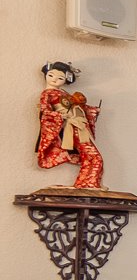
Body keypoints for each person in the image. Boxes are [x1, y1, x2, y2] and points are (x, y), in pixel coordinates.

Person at [37, 60, 105, 189]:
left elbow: (79, 107)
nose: (55, 80)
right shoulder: (47, 93)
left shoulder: (64, 94)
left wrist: (93, 110)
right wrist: (59, 115)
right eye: (51, 75)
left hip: (78, 125)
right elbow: (45, 111)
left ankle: (85, 183)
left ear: (66, 80)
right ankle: (88, 183)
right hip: (71, 126)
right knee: (94, 157)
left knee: (91, 156)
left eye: (60, 78)